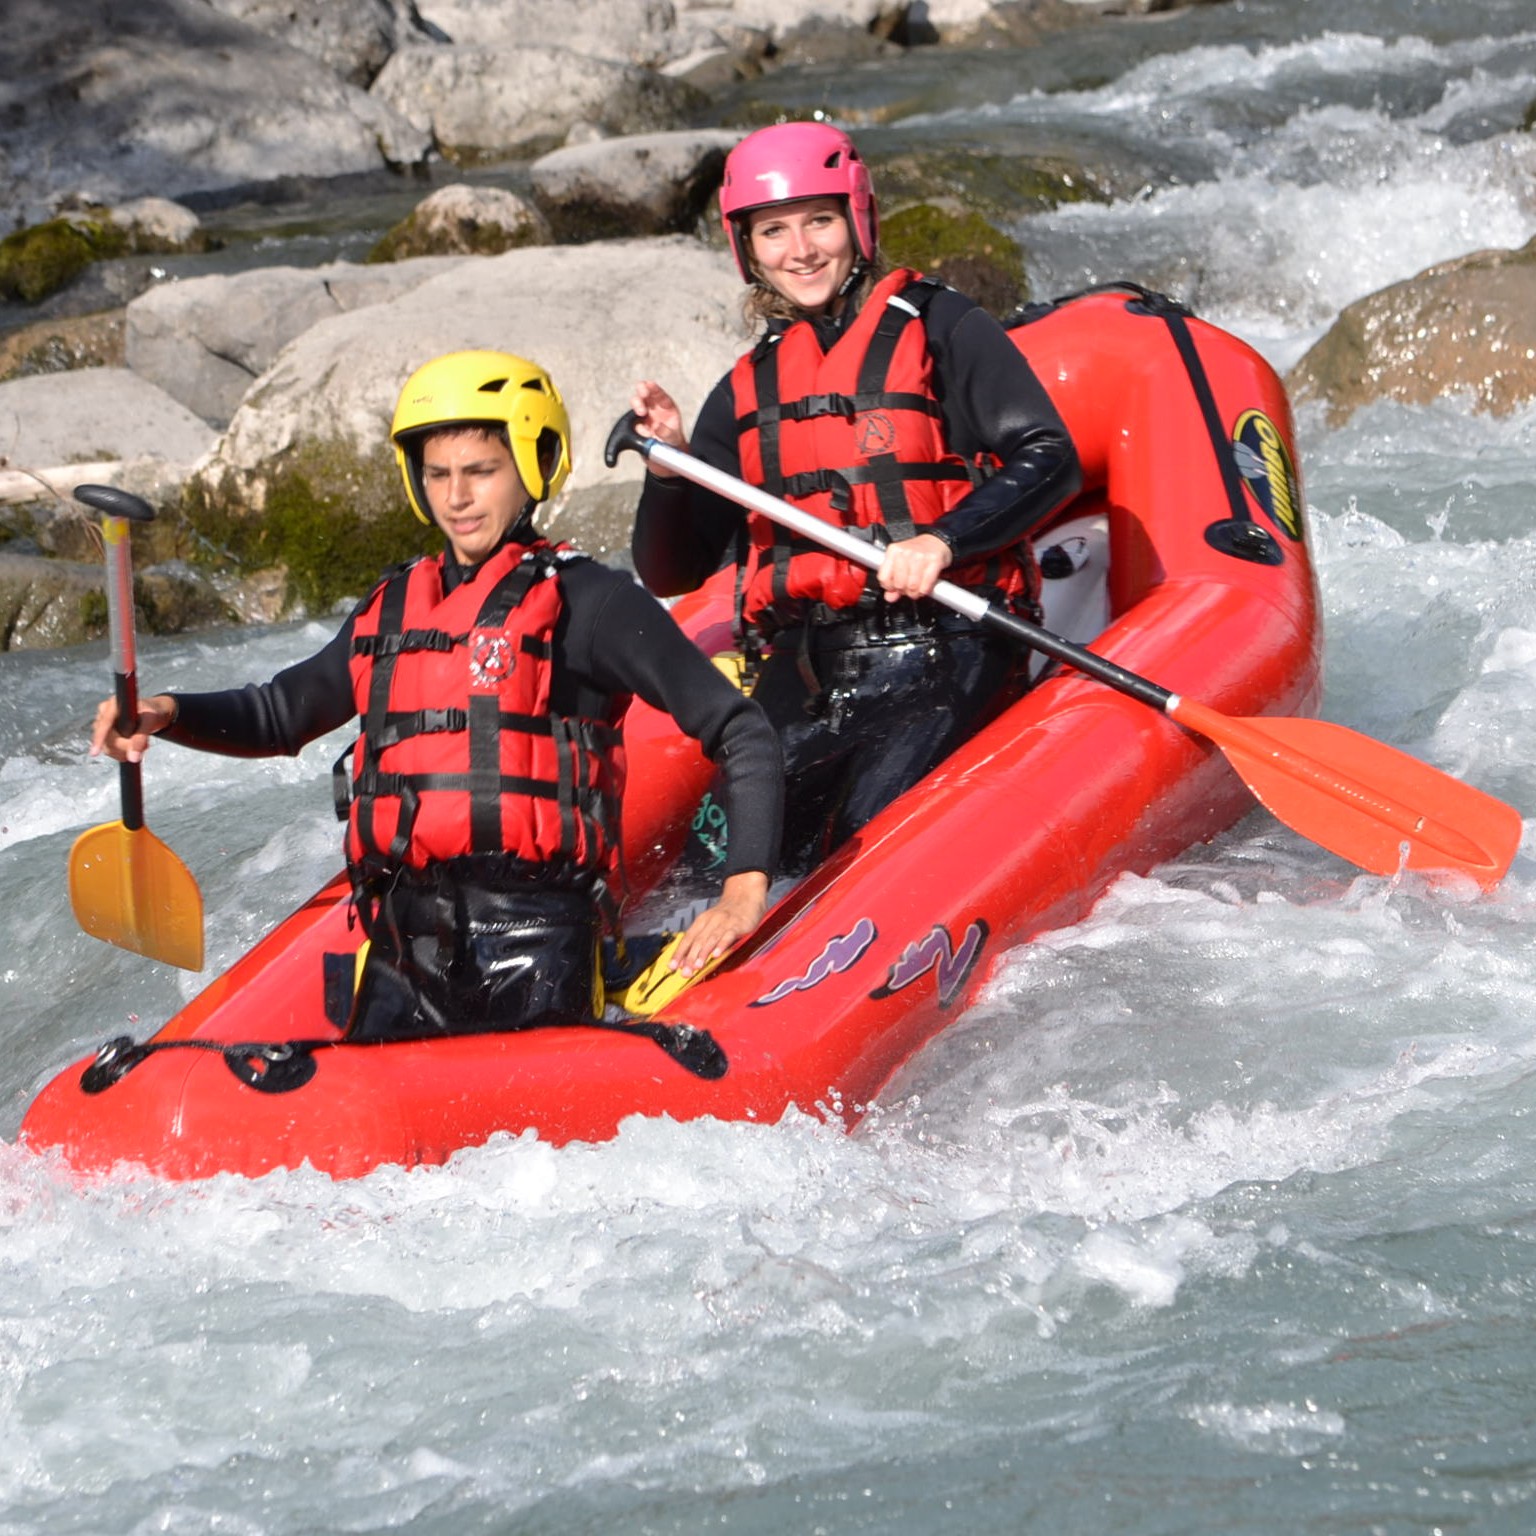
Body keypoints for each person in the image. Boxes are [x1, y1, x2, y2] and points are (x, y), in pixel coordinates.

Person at [90, 350, 782, 1042]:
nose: (457, 497)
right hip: (402, 951)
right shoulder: (391, 609)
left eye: (481, 472)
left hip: (539, 945)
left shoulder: (591, 603)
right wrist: (169, 712)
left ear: (534, 466)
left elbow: (741, 730)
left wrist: (743, 889)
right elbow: (278, 713)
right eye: (439, 474)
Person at [629, 121, 1083, 869]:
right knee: (714, 864)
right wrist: (669, 469)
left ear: (857, 221)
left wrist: (944, 541)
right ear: (747, 247)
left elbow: (1049, 456)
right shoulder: (748, 386)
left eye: (819, 221)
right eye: (773, 231)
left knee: (866, 836)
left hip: (949, 643)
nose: (800, 250)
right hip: (811, 664)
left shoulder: (941, 325)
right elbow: (671, 571)